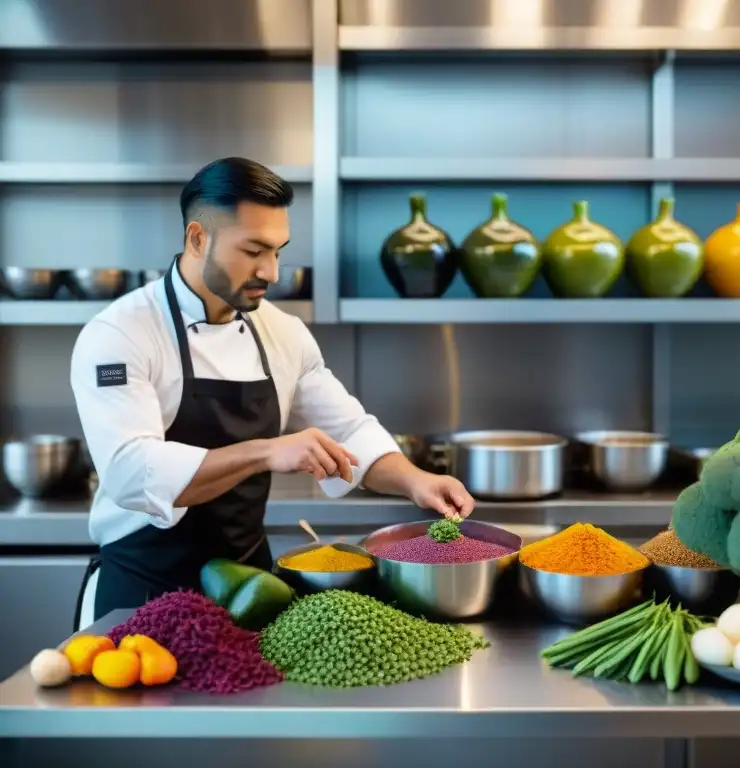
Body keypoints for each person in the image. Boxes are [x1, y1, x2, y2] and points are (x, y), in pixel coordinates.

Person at [69, 157, 473, 630]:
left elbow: (350, 430)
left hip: (250, 592)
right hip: (142, 593)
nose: (273, 272)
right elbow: (131, 473)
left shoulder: (284, 333)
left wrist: (414, 479)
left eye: (278, 251)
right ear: (198, 238)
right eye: (254, 250)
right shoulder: (121, 334)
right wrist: (265, 452)